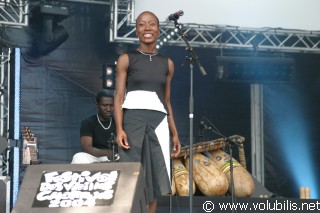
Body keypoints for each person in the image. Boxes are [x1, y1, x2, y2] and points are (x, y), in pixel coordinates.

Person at [114, 11, 181, 213]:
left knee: (153, 180)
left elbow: (166, 101)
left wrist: (175, 133)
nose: (147, 28)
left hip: (159, 122)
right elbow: (118, 97)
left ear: (159, 31)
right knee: (131, 175)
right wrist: (119, 129)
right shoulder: (126, 58)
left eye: (152, 24)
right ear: (137, 31)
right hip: (132, 119)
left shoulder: (167, 63)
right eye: (142, 25)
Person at [71, 89, 118, 164]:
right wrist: (106, 152)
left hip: (113, 157)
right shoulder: (88, 122)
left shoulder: (118, 122)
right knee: (78, 157)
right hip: (95, 157)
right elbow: (86, 147)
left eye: (111, 105)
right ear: (97, 105)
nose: (109, 109)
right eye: (105, 105)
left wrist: (113, 154)